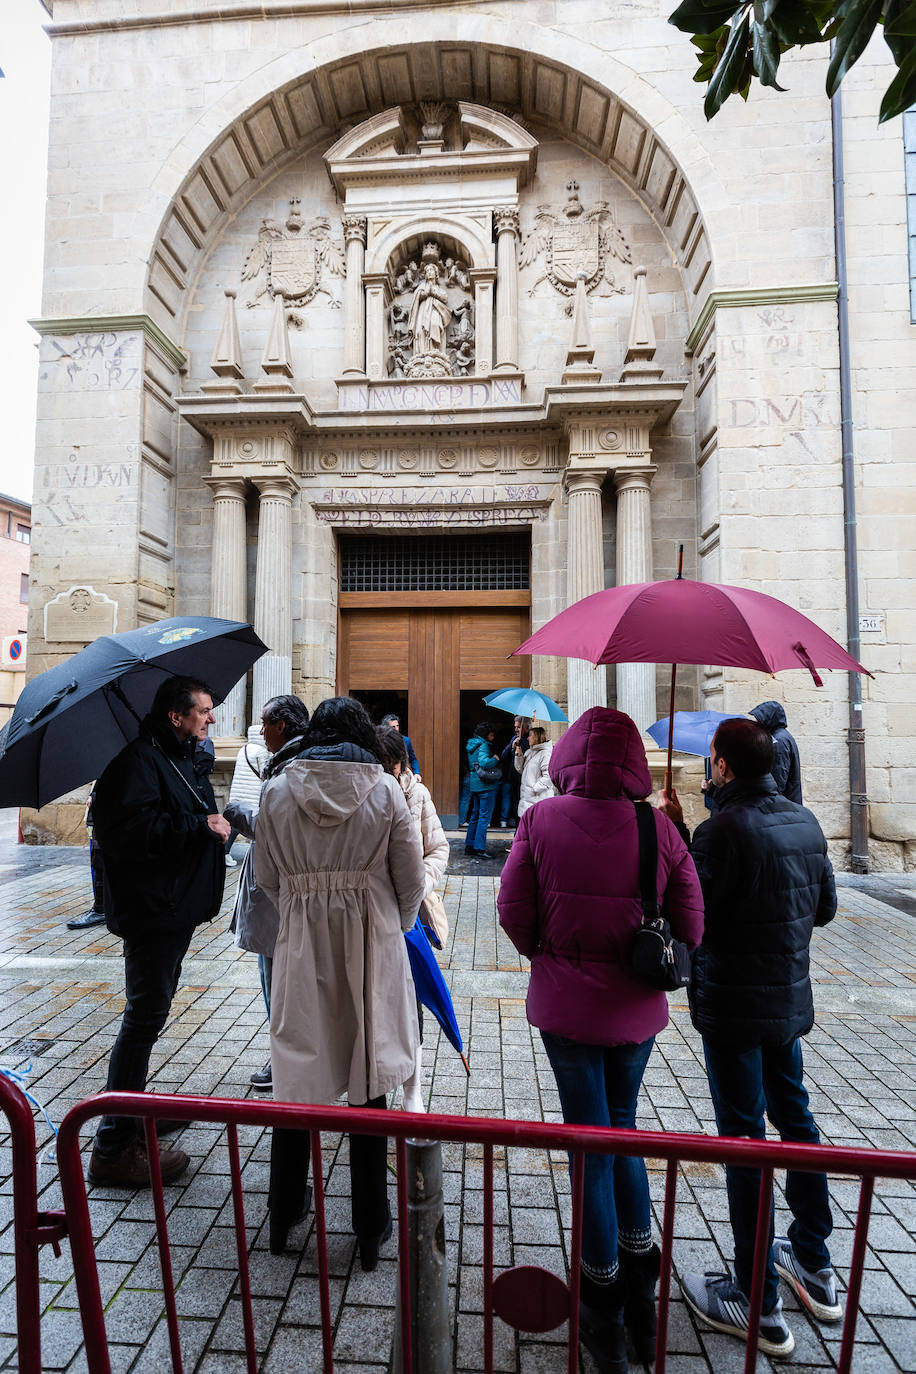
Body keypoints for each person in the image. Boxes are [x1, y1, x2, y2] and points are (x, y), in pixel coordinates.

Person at [498, 708, 704, 1372]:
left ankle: (603, 1300)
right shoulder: (657, 826)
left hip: (565, 1009)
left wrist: (547, 955)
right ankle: (642, 1295)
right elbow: (693, 927)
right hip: (635, 1011)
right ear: (632, 764)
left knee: (589, 1141)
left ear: (571, 757)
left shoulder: (540, 819)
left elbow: (512, 908)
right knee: (622, 1128)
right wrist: (671, 838)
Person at [658, 717, 839, 1359]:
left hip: (734, 1010)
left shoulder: (720, 831)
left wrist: (682, 837)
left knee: (743, 1137)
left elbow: (690, 915)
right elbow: (824, 909)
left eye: (711, 760)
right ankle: (814, 1262)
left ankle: (757, 1301)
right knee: (796, 1118)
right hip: (788, 1003)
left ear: (724, 767)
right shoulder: (806, 822)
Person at [255, 697, 426, 1267]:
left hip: (302, 945)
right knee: (369, 1075)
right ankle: (371, 1225)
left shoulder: (276, 791)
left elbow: (269, 879)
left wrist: (305, 906)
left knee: (296, 1078)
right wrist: (388, 922)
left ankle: (282, 1216)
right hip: (370, 944)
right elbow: (410, 879)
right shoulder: (384, 790)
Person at [89, 677, 229, 1187]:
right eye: (204, 711)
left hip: (172, 907)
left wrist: (197, 770)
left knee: (151, 1014)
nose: (210, 719)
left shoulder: (170, 756)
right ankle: (113, 1146)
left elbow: (180, 808)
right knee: (143, 1015)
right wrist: (200, 827)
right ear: (176, 715)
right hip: (152, 911)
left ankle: (134, 1108)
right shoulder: (136, 762)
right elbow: (132, 836)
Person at [224, 698, 309, 1092]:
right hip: (283, 892)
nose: (259, 730)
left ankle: (285, 1059)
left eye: (263, 722)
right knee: (280, 979)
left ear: (281, 725)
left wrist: (235, 812)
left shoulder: (294, 765)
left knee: (278, 981)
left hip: (281, 893)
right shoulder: (291, 761)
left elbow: (276, 825)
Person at [377, 725, 449, 1113]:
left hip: (410, 918)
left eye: (390, 765)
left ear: (401, 765)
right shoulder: (366, 794)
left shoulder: (417, 793)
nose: (386, 773)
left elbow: (438, 847)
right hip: (370, 913)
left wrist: (419, 883)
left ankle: (412, 1090)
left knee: (412, 998)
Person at [66, 790, 107, 930]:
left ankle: (102, 909)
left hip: (115, 814)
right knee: (99, 862)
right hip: (102, 815)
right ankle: (101, 908)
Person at [749, 699, 803, 802]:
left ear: (768, 718)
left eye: (759, 719)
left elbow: (778, 779)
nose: (756, 722)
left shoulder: (779, 740)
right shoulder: (780, 736)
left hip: (783, 806)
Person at [464, 721, 501, 859]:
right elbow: (484, 762)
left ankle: (469, 845)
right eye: (491, 734)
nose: (493, 737)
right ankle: (479, 848)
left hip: (475, 785)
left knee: (475, 815)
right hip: (485, 785)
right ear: (486, 734)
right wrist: (495, 759)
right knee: (484, 817)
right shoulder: (484, 745)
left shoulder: (472, 744)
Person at [514, 724, 555, 818]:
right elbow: (521, 770)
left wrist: (535, 788)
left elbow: (549, 775)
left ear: (536, 737)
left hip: (538, 799)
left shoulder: (545, 753)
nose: (528, 738)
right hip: (527, 800)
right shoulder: (529, 752)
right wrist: (519, 756)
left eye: (530, 735)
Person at [498, 715, 530, 828]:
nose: (516, 729)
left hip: (525, 779)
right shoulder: (514, 739)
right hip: (514, 779)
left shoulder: (530, 740)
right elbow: (503, 756)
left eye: (518, 727)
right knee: (515, 805)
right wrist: (512, 746)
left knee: (523, 807)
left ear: (526, 727)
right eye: (515, 727)